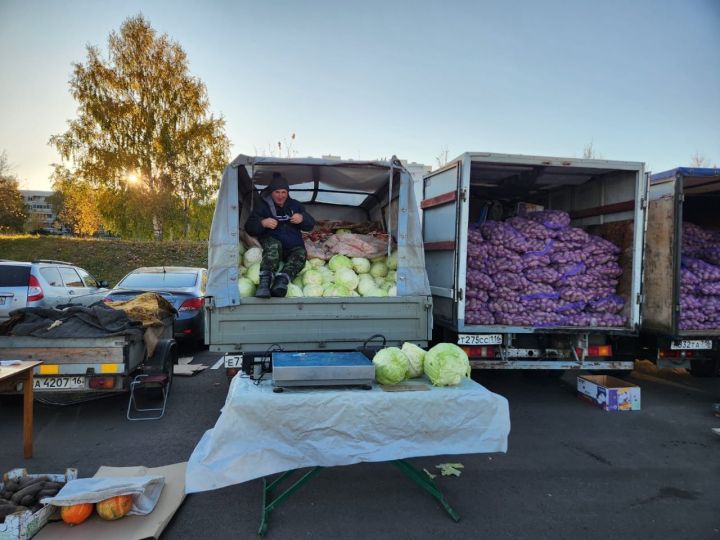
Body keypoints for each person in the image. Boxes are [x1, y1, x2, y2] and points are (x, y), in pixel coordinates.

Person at [245, 173, 315, 298]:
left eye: (284, 192)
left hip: (293, 244)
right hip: (272, 239)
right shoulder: (262, 207)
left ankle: (281, 282)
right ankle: (264, 285)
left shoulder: (295, 205)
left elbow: (310, 225)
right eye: (277, 192)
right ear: (271, 192)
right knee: (273, 246)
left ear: (287, 192)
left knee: (301, 253)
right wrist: (262, 223)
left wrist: (302, 218)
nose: (281, 196)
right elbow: (249, 227)